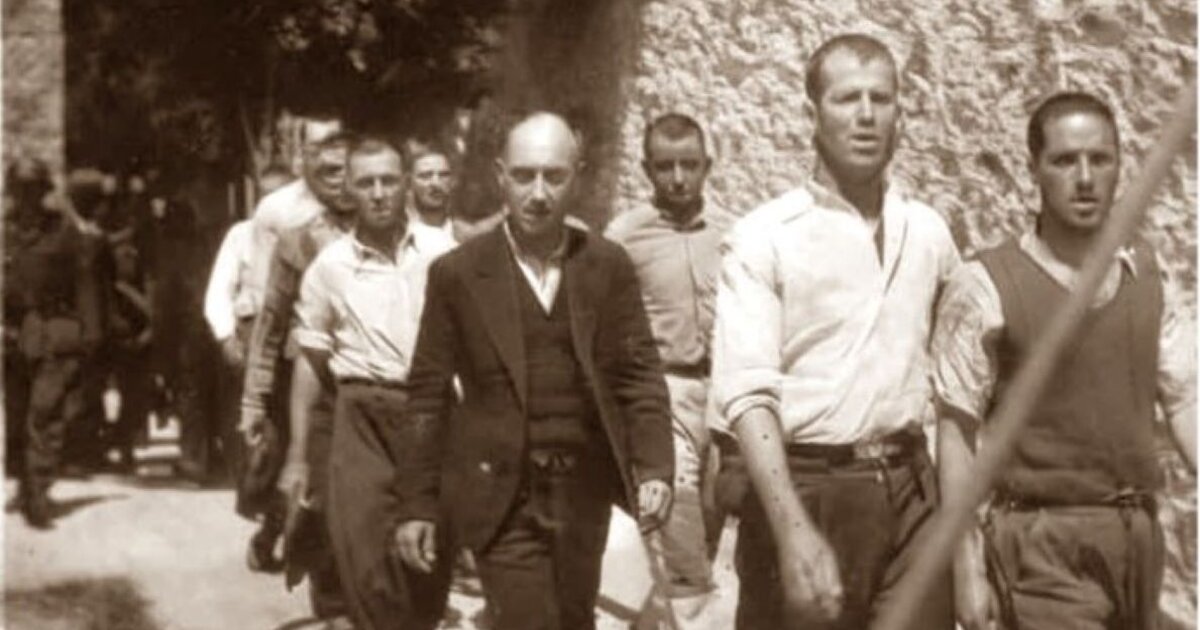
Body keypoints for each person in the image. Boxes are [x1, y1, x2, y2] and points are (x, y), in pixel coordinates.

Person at [711, 34, 961, 629]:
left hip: (911, 490)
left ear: (901, 113)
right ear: (813, 113)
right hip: (809, 488)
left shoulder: (928, 232)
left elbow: (968, 364)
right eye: (848, 98)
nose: (867, 115)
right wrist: (792, 530)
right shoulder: (764, 238)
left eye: (882, 98)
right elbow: (747, 397)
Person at [393, 111, 675, 630]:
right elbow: (427, 395)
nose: (538, 193)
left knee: (574, 620)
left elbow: (639, 375)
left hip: (583, 493)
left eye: (554, 176)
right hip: (502, 495)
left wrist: (655, 467)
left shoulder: (606, 266)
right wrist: (417, 503)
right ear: (501, 176)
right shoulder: (458, 274)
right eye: (524, 176)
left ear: (578, 177)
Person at [934, 92, 1197, 630]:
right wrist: (966, 567)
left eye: (1100, 159)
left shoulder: (1148, 275)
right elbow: (956, 432)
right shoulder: (986, 284)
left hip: (1135, 540)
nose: (1084, 178)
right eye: (1064, 161)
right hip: (1042, 544)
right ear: (1034, 169)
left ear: (1119, 165)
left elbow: (1185, 398)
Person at [294, 136, 457, 629]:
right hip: (362, 417)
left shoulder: (445, 254)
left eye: (389, 180)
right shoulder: (329, 268)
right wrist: (298, 456)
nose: (380, 193)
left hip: (431, 417)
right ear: (349, 189)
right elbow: (310, 362)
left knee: (429, 562)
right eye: (366, 183)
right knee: (366, 561)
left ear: (406, 183)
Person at [604, 112, 725, 629]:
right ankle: (687, 609)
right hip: (662, 387)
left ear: (707, 167)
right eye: (665, 166)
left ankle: (675, 609)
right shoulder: (624, 237)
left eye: (689, 165)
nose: (678, 178)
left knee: (715, 508)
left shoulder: (732, 233)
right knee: (679, 504)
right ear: (646, 170)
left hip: (722, 388)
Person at [239, 132, 356, 626]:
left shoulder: (394, 228)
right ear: (310, 176)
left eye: (346, 168)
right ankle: (333, 605)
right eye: (328, 171)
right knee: (316, 492)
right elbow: (270, 325)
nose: (341, 180)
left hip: (372, 383)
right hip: (309, 383)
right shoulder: (298, 239)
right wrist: (254, 399)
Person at [8, 159, 105, 528]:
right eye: (21, 190)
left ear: (43, 192)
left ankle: (38, 492)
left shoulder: (63, 232)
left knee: (44, 412)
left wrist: (91, 332)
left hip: (54, 329)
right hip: (12, 334)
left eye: (33, 190)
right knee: (17, 414)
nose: (27, 198)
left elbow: (84, 282)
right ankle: (24, 482)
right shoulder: (4, 231)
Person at [245, 117, 344, 312]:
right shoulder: (276, 209)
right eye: (316, 149)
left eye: (336, 147)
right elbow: (260, 293)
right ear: (301, 154)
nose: (328, 160)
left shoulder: (366, 200)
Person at [104, 235, 154, 472]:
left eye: (131, 255)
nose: (127, 261)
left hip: (138, 346)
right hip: (116, 346)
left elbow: (153, 312)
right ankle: (119, 447)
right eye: (123, 255)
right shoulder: (107, 287)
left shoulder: (139, 284)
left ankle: (127, 449)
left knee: (134, 400)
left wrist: (147, 335)